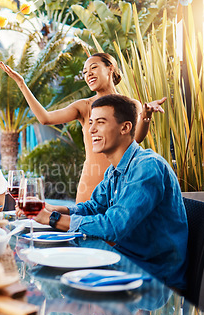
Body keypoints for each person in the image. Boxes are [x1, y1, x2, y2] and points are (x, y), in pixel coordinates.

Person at [29, 94, 187, 290]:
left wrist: (52, 218)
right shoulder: (114, 169)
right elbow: (94, 207)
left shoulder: (147, 167)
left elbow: (113, 226)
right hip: (123, 262)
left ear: (125, 127)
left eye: (100, 122)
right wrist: (54, 208)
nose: (91, 129)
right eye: (91, 122)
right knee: (45, 271)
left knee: (52, 281)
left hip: (154, 277)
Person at [0, 53, 166, 203]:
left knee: (117, 233)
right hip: (91, 182)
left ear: (110, 68)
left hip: (123, 181)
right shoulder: (84, 106)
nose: (88, 74)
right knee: (83, 233)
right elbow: (45, 118)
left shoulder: (131, 105)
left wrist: (146, 116)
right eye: (84, 72)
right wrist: (21, 84)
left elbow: (135, 139)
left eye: (93, 67)